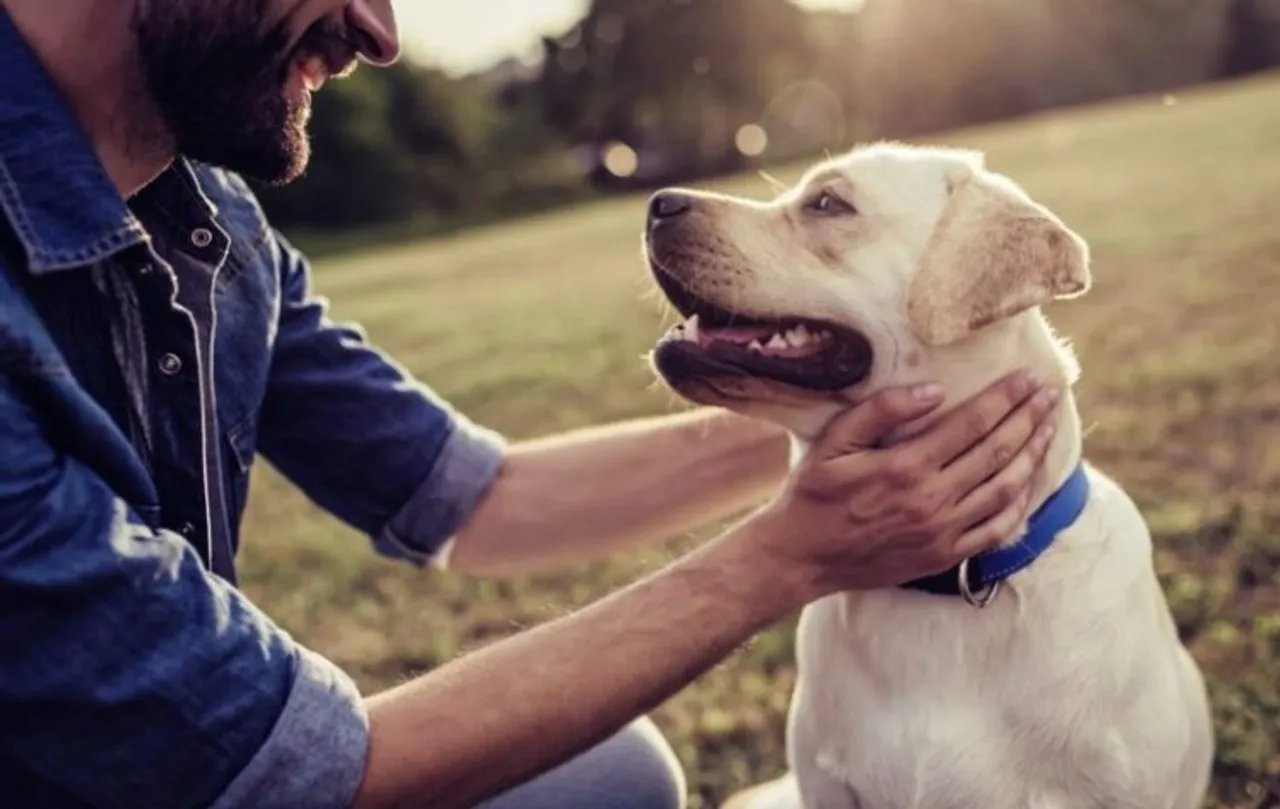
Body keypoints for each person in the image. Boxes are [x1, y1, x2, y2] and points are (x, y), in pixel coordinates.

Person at [0, 2, 1062, 808]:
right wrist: (789, 553)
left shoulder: (208, 226)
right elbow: (286, 771)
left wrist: (864, 412)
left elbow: (480, 497)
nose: (378, 32)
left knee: (611, 777)